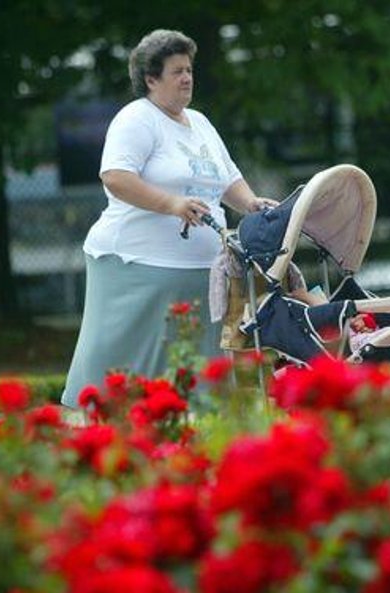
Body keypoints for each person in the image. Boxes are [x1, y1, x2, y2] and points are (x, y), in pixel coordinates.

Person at [61, 29, 276, 407]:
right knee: (122, 366)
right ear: (150, 79)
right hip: (136, 268)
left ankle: (194, 428)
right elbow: (115, 177)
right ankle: (103, 421)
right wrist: (172, 205)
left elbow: (227, 177)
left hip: (203, 271)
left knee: (198, 376)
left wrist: (252, 203)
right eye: (176, 71)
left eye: (189, 69)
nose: (187, 78)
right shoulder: (137, 119)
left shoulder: (201, 122)